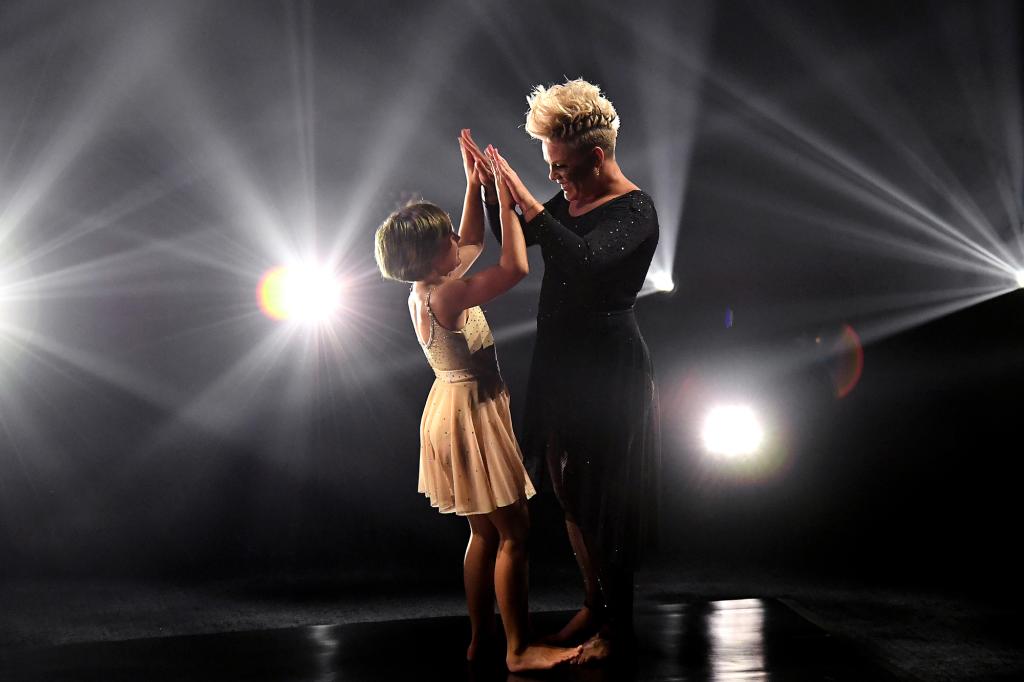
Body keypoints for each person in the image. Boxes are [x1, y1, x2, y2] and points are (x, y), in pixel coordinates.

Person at [463, 80, 660, 662]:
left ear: (597, 157)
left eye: (561, 166)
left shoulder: (634, 210)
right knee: (571, 493)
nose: (554, 177)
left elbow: (589, 261)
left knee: (606, 500)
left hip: (607, 369)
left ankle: (615, 629)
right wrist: (494, 191)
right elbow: (522, 241)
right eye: (548, 167)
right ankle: (595, 605)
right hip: (560, 365)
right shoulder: (570, 200)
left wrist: (529, 202)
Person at [373, 130, 580, 672]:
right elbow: (514, 267)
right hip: (472, 412)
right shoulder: (448, 292)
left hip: (449, 406)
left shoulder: (425, 287)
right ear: (429, 254)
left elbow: (469, 242)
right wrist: (509, 204)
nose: (456, 243)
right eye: (444, 239)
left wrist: (472, 188)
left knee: (483, 531)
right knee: (515, 533)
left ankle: (482, 637)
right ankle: (518, 650)